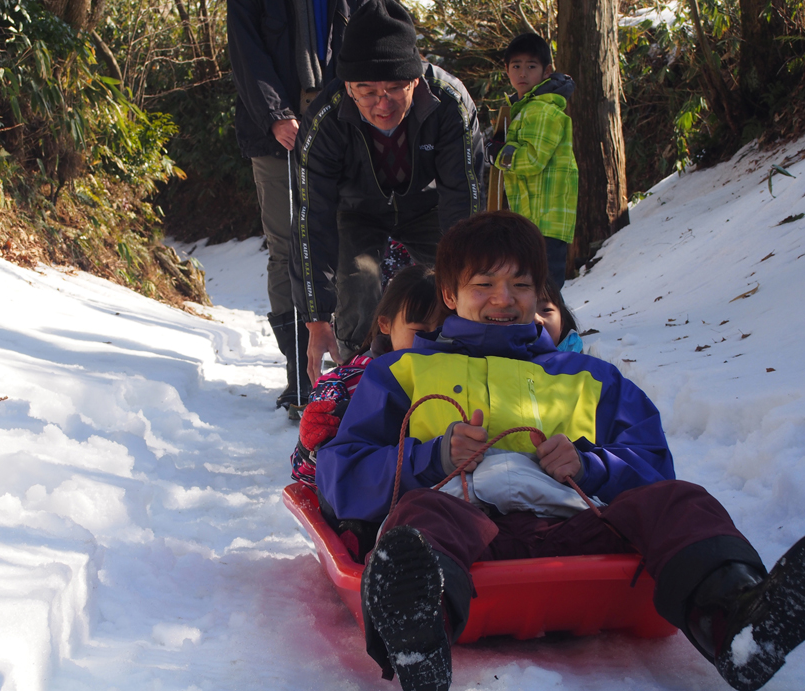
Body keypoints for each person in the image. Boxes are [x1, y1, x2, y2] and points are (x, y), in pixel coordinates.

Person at [315, 210, 805, 691]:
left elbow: (653, 463)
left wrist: (590, 466)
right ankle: (422, 640)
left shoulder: (589, 376)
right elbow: (341, 475)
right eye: (484, 284)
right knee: (418, 522)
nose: (504, 299)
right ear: (450, 294)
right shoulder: (401, 374)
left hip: (577, 527)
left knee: (680, 501)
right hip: (466, 533)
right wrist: (434, 458)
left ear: (539, 292)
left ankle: (737, 625)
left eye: (521, 285)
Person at [289, 0, 485, 385]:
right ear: (348, 87)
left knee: (458, 280)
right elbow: (312, 218)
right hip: (356, 210)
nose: (382, 104)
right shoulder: (325, 119)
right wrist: (316, 318)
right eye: (367, 91)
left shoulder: (450, 102)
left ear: (416, 80)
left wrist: (468, 285)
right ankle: (360, 376)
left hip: (429, 205)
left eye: (396, 88)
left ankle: (463, 364)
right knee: (358, 280)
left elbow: (465, 202)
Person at [226, 0, 362, 410]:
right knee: (288, 248)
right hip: (276, 133)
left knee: (348, 239)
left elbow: (370, 38)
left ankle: (350, 370)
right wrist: (275, 115)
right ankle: (300, 375)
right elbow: (246, 53)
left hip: (343, 123)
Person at [291, 264, 440, 492]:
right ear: (386, 324)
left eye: (442, 330)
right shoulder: (343, 385)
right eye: (419, 331)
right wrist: (310, 446)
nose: (431, 340)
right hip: (371, 499)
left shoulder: (463, 374)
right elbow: (308, 476)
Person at [488, 33, 577, 289]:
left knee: (543, 288)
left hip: (545, 218)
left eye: (531, 66)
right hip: (532, 218)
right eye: (516, 66)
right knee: (532, 285)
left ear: (546, 71)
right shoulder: (523, 108)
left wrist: (499, 154)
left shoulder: (542, 109)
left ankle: (552, 317)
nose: (523, 73)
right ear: (507, 70)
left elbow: (531, 160)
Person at [535, 278, 582, 352]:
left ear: (562, 322)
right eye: (522, 313)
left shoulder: (580, 358)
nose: (536, 319)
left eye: (546, 310)